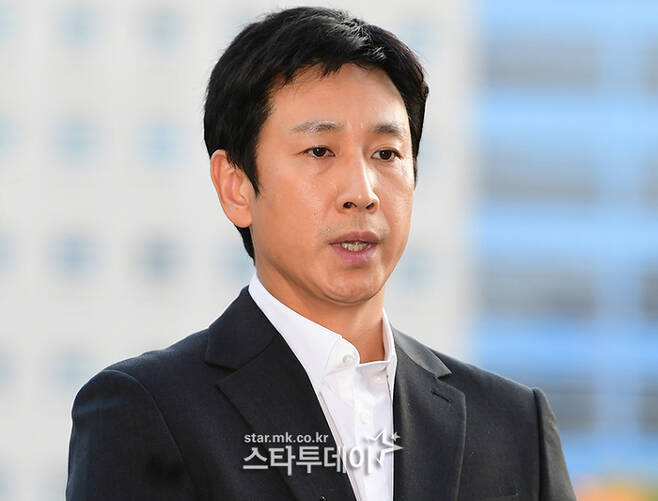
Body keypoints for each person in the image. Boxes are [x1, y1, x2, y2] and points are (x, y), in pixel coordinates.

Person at [66, 7, 577, 501]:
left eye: (386, 154)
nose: (362, 192)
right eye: (320, 151)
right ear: (236, 186)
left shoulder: (515, 423)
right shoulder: (146, 410)